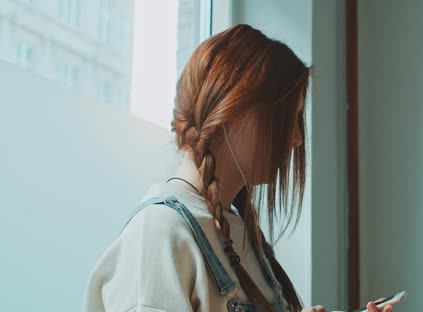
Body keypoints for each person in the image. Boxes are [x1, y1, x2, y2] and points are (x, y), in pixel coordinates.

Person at [84, 23, 394, 312]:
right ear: (231, 111)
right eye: (287, 121)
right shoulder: (159, 234)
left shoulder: (236, 228)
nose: (297, 140)